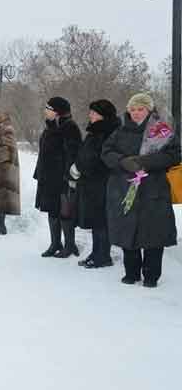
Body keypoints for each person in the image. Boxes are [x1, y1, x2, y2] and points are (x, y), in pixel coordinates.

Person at [102, 93, 179, 287]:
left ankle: (151, 276)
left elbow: (174, 154)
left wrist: (145, 162)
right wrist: (122, 161)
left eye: (140, 109)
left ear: (149, 110)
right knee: (128, 232)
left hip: (153, 191)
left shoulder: (161, 131)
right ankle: (132, 272)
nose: (136, 113)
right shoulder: (119, 130)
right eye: (133, 109)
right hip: (124, 188)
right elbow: (106, 152)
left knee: (154, 234)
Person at [71, 99, 120, 268]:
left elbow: (101, 158)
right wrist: (77, 165)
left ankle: (103, 256)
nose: (90, 115)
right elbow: (85, 153)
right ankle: (96, 252)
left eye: (94, 112)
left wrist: (83, 167)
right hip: (90, 182)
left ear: (103, 115)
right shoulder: (95, 131)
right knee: (95, 221)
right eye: (90, 112)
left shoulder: (109, 132)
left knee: (101, 221)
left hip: (102, 182)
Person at [34, 97, 82, 258]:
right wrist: (39, 173)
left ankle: (69, 245)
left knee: (65, 212)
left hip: (62, 178)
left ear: (57, 112)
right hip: (48, 178)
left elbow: (73, 154)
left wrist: (68, 176)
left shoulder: (70, 128)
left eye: (49, 109)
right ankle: (55, 243)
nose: (45, 111)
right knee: (52, 211)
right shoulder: (51, 127)